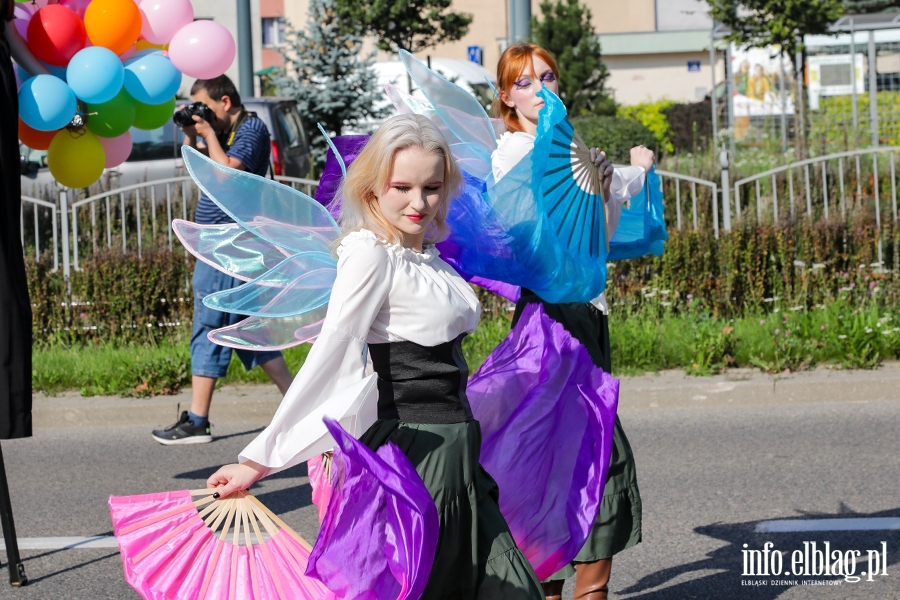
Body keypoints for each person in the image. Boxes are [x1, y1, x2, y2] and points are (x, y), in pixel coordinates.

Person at [205, 114, 543, 598]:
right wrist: (259, 460)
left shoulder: (428, 256)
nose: (418, 202)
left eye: (431, 187)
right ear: (372, 189)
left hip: (457, 453)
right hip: (416, 455)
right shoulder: (371, 254)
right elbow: (333, 354)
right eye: (401, 186)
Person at [492, 43, 653, 600]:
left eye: (548, 77)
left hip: (587, 311)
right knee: (571, 449)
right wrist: (583, 175)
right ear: (507, 97)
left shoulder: (574, 151)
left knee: (583, 448)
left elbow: (598, 242)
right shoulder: (514, 153)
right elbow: (531, 235)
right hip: (548, 317)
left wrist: (611, 183)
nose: (539, 88)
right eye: (524, 82)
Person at [151, 75, 293, 445]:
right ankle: (300, 406)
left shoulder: (252, 128)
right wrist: (190, 135)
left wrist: (209, 135)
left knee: (210, 321)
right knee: (250, 331)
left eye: (208, 109)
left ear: (226, 102)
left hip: (231, 244)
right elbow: (198, 170)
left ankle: (198, 420)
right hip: (223, 243)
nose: (205, 117)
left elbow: (228, 174)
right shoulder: (223, 130)